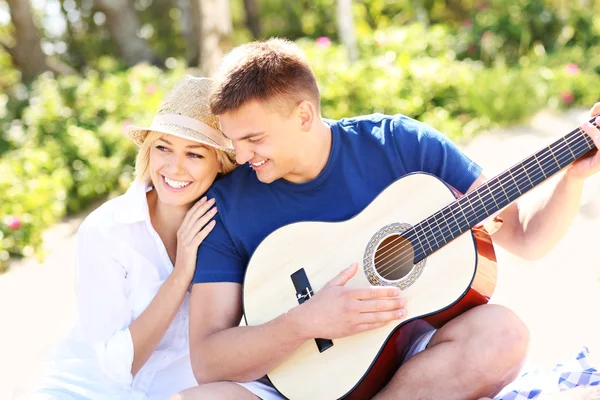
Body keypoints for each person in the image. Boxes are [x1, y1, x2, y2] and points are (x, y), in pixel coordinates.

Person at [176, 39, 600, 400]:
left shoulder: (397, 144)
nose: (242, 157)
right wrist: (304, 322)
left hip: (406, 365)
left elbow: (525, 238)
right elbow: (208, 361)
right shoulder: (226, 205)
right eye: (235, 143)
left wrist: (573, 178)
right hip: (297, 380)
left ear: (303, 115)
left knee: (502, 333)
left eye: (254, 139)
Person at [25, 75, 274, 400]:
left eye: (195, 155)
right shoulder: (107, 230)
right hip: (90, 388)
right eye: (163, 148)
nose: (174, 167)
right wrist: (182, 272)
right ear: (148, 152)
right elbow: (116, 368)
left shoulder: (234, 228)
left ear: (220, 164)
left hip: (184, 387)